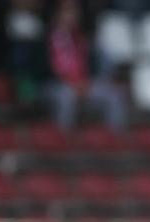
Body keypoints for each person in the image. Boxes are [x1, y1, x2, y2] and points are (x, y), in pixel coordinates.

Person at [47, 0, 126, 132]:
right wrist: (71, 83)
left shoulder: (83, 38)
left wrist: (87, 82)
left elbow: (93, 67)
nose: (71, 16)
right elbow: (46, 69)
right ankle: (64, 140)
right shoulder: (47, 39)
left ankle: (115, 141)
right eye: (67, 11)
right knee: (67, 96)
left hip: (85, 83)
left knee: (115, 96)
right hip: (55, 85)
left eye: (74, 12)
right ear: (57, 14)